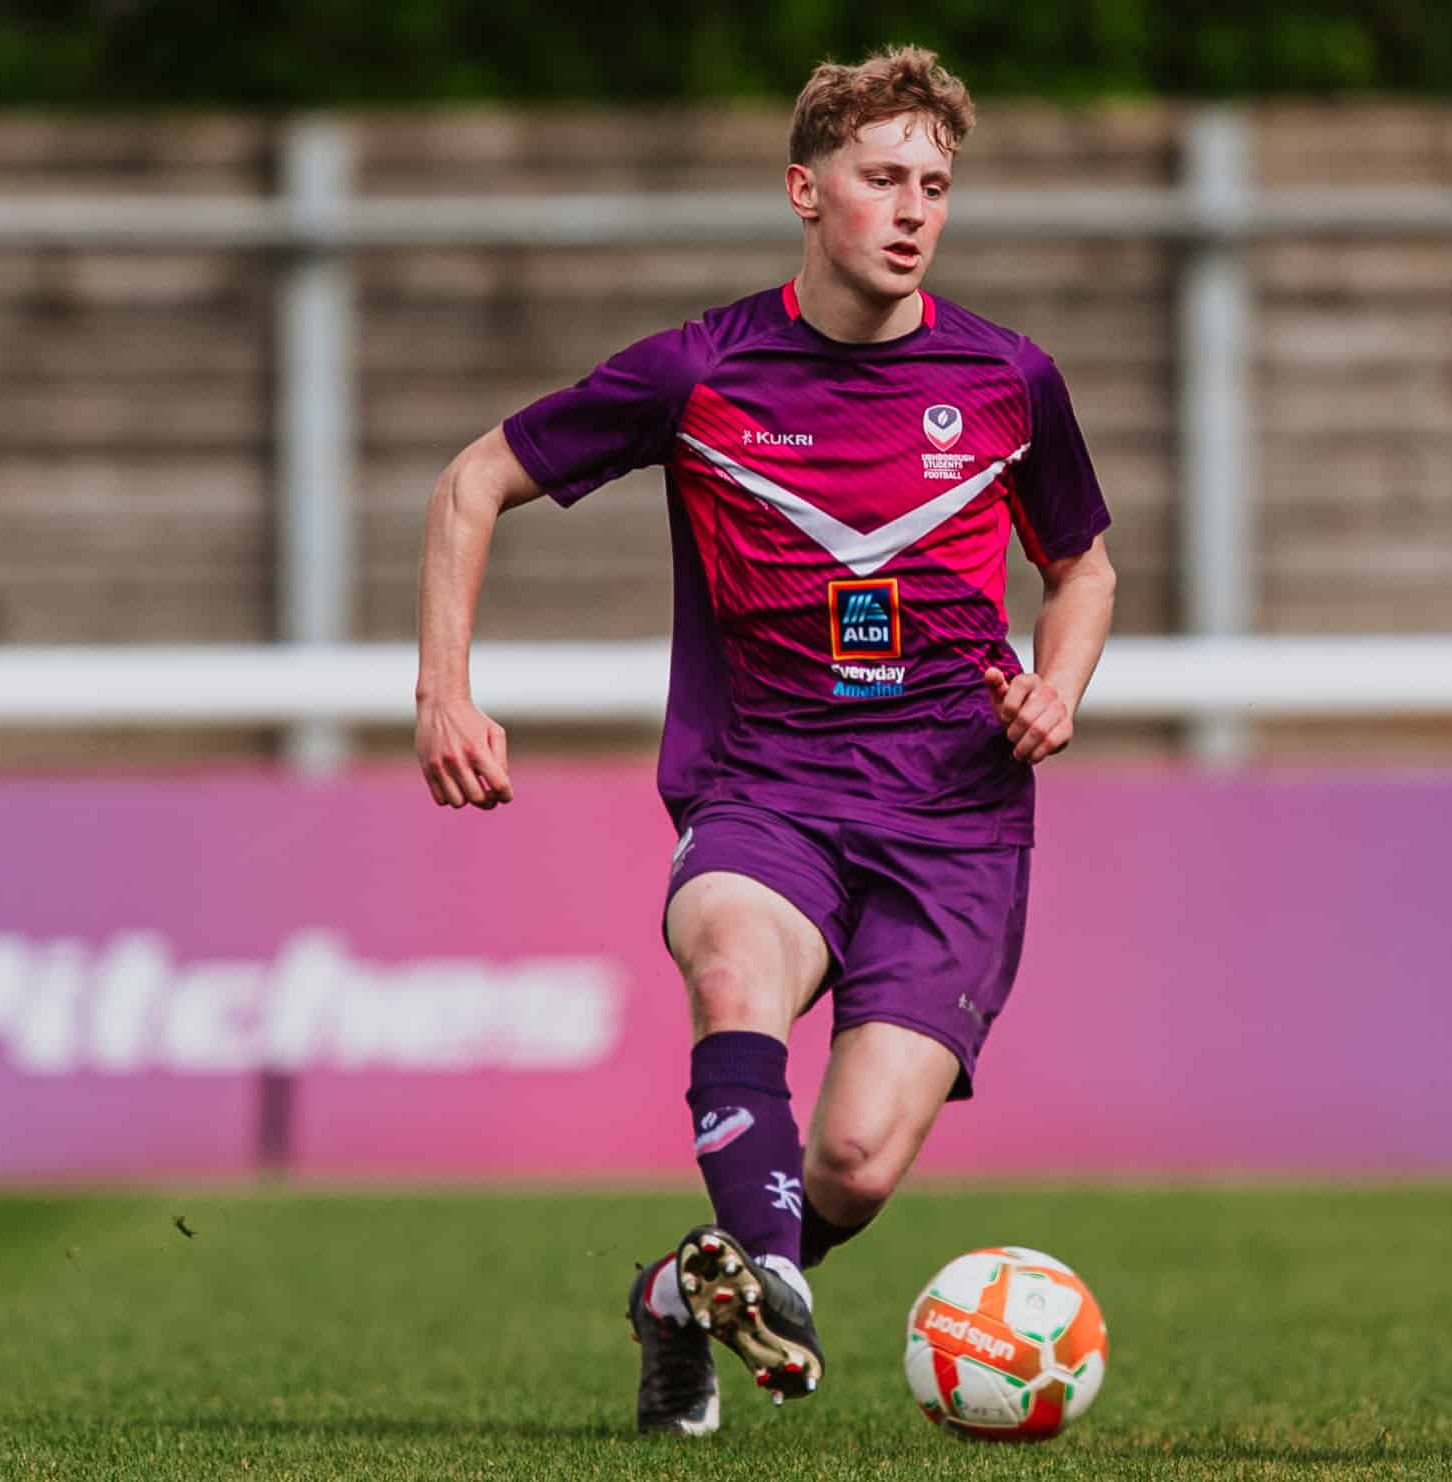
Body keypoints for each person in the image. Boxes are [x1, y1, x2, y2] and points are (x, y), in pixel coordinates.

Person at [412, 46, 1115, 1436]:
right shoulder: (700, 372)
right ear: (807, 190)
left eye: (934, 184)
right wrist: (445, 688)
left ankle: (687, 1292)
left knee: (849, 1159)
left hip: (956, 819)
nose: (911, 209)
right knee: (731, 958)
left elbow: (1082, 562)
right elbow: (470, 479)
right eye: (880, 179)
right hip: (767, 792)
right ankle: (772, 1269)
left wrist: (1059, 680)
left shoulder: (1006, 379)